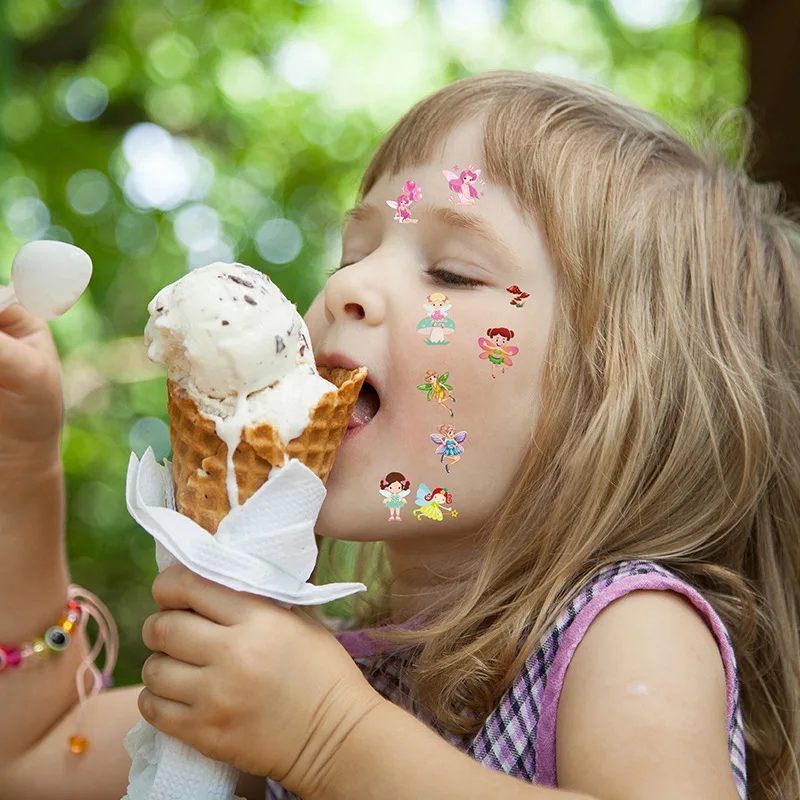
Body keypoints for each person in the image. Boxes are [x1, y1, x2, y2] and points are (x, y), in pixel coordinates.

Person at [0, 70, 798, 800]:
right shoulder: (311, 673)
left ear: (617, 397)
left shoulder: (627, 631)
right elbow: (32, 758)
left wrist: (329, 737)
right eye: (355, 250)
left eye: (451, 273)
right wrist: (23, 469)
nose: (346, 285)